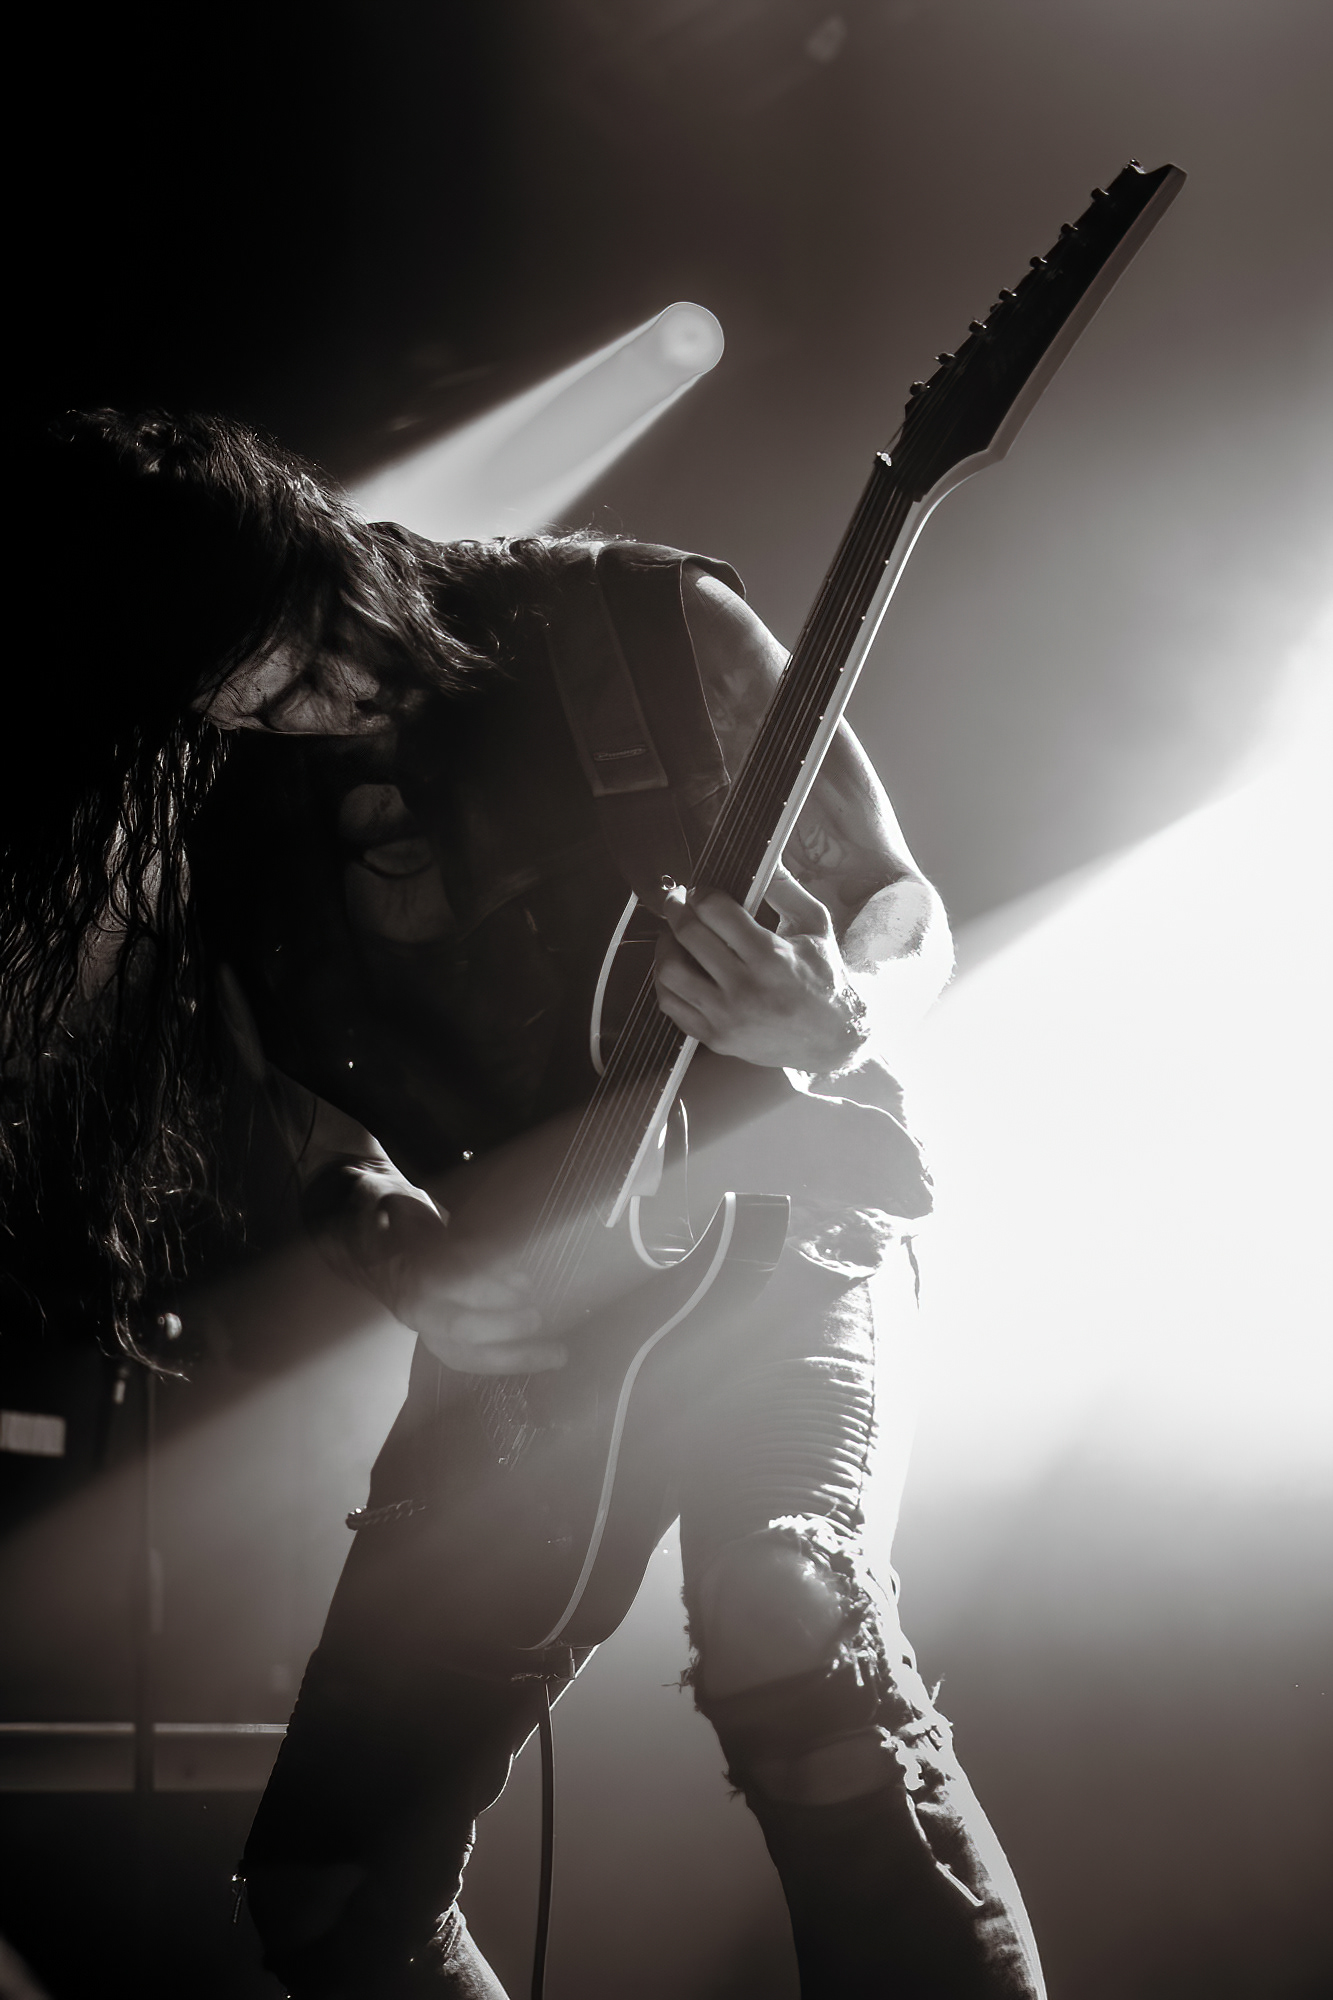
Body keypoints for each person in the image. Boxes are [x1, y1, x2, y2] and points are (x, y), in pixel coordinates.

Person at [4, 409, 1046, 1998]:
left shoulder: (641, 620)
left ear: (311, 544)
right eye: (245, 699)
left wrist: (836, 1011)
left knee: (788, 1619)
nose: (306, 706)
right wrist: (382, 1234)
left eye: (305, 646)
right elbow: (295, 1107)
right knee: (327, 1896)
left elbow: (899, 908)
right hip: (542, 1292)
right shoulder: (221, 793)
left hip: (773, 1222)